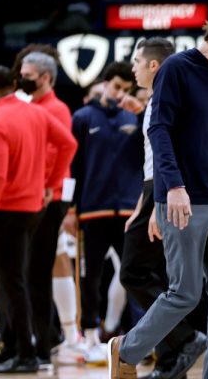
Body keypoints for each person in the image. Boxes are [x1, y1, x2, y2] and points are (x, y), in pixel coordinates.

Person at [107, 3, 208, 379]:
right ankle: (125, 349)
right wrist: (172, 187)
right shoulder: (177, 68)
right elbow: (157, 130)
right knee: (185, 292)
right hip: (182, 200)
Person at [119, 37, 208, 379]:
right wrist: (142, 204)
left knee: (134, 273)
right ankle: (174, 360)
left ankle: (184, 340)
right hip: (156, 192)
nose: (133, 68)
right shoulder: (166, 96)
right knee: (163, 279)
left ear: (154, 65)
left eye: (137, 62)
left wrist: (158, 203)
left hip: (166, 192)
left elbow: (170, 159)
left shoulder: (169, 99)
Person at [0, 65, 77, 373]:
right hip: (34, 206)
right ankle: (13, 347)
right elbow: (69, 144)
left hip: (5, 208)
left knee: (11, 281)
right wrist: (49, 184)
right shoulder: (35, 112)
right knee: (14, 279)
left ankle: (25, 353)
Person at [65, 61, 141, 363]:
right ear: (106, 83)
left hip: (128, 211)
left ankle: (139, 337)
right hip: (91, 211)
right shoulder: (82, 118)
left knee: (134, 276)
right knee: (90, 276)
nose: (120, 93)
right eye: (116, 87)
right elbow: (73, 166)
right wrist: (70, 209)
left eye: (126, 89)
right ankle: (90, 336)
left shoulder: (135, 118)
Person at [17, 51, 74, 366]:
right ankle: (47, 333)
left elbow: (58, 153)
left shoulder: (55, 109)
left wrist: (47, 188)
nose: (21, 77)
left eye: (27, 73)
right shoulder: (30, 107)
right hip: (35, 196)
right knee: (29, 270)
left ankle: (48, 342)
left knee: (37, 271)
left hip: (48, 198)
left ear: (46, 78)